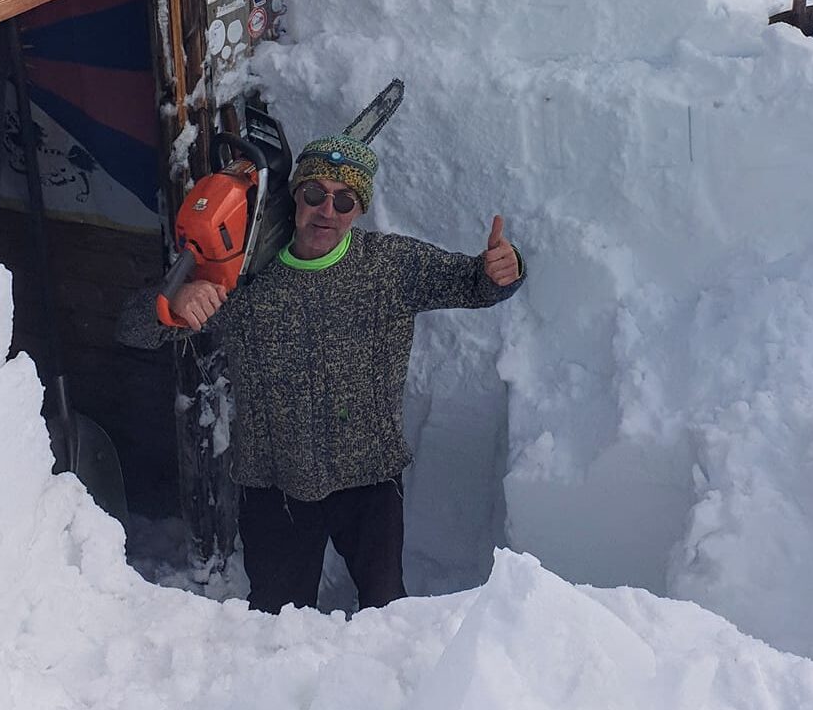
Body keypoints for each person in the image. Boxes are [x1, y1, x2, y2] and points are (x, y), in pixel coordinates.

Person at [120, 133, 524, 613]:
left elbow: (473, 282)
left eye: (344, 199)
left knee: (387, 614)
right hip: (274, 488)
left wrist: (505, 269)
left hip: (370, 482)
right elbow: (132, 329)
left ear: (359, 210)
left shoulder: (389, 265)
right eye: (314, 193)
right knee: (278, 626)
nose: (326, 209)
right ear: (295, 197)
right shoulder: (242, 276)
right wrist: (175, 302)